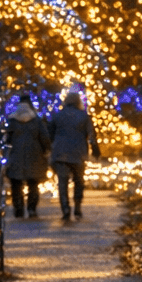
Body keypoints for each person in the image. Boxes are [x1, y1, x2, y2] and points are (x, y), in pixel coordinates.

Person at [47, 92, 100, 221]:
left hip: (61, 153)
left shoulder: (57, 116)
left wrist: (49, 150)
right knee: (78, 181)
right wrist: (95, 149)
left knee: (62, 183)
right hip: (78, 153)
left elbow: (50, 135)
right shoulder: (84, 117)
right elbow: (91, 135)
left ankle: (65, 208)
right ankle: (77, 206)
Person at [5, 96, 51, 218]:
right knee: (33, 184)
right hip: (34, 156)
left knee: (16, 185)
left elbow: (6, 140)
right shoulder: (36, 120)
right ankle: (32, 208)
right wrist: (47, 150)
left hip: (16, 155)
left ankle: (18, 208)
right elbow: (44, 137)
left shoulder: (12, 121)